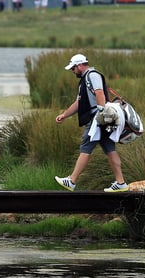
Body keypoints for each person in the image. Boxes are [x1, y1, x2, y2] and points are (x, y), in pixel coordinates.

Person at [54, 54, 128, 193]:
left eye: (73, 68)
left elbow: (100, 93)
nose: (72, 71)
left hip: (98, 119)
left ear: (80, 65)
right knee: (110, 149)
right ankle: (121, 182)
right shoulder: (85, 80)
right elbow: (79, 103)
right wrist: (64, 115)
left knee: (86, 147)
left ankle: (72, 180)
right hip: (102, 118)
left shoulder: (92, 76)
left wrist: (101, 112)